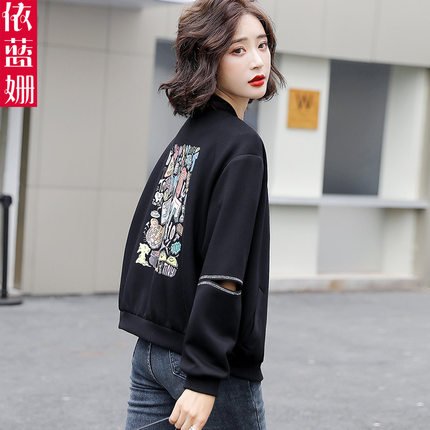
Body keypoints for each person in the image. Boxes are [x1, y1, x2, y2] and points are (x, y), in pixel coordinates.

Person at [117, 1, 286, 429]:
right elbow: (225, 270)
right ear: (207, 59)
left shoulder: (188, 137)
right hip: (202, 365)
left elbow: (150, 239)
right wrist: (205, 376)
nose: (257, 61)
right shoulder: (242, 146)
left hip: (151, 348)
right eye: (237, 50)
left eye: (262, 45)